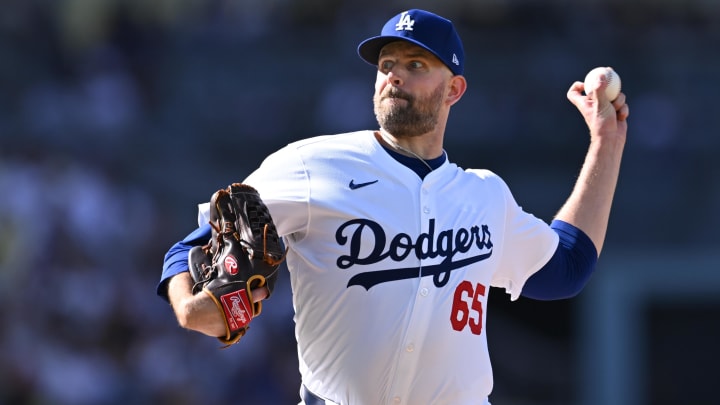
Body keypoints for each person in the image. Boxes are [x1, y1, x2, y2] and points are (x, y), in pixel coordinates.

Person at [157, 8, 629, 405]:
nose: (394, 75)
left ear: (454, 90)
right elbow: (194, 244)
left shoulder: (484, 196)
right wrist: (186, 303)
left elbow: (566, 266)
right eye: (386, 64)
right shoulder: (310, 165)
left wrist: (605, 141)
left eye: (416, 64)